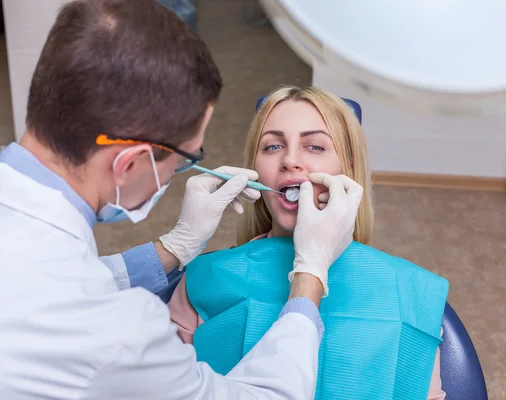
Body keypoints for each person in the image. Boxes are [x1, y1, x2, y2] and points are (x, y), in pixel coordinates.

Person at [0, 3, 365, 400]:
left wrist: (174, 247)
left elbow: (40, 289)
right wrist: (311, 275)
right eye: (185, 159)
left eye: (314, 146)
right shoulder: (117, 332)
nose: (291, 160)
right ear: (129, 163)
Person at [167, 86, 447, 399]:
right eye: (272, 147)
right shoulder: (204, 281)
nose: (290, 160)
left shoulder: (411, 292)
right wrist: (174, 245)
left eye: (314, 146)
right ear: (253, 170)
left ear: (348, 168)